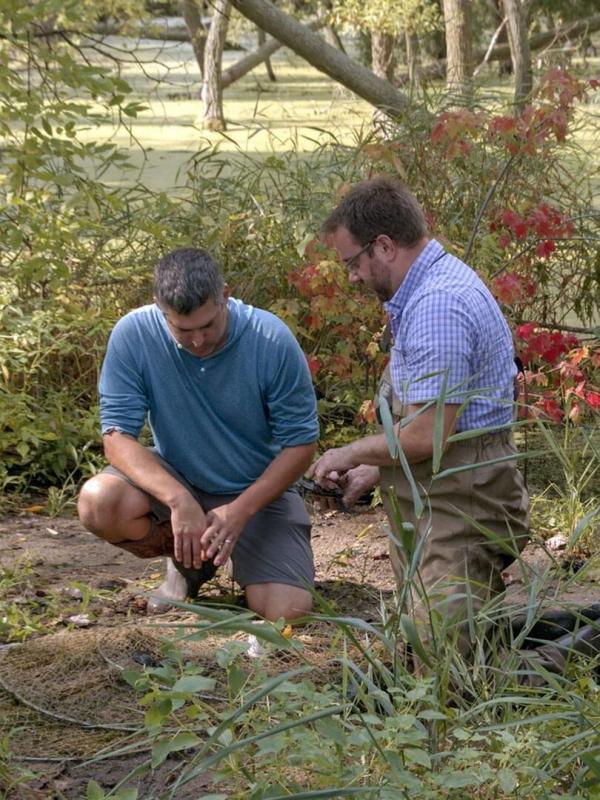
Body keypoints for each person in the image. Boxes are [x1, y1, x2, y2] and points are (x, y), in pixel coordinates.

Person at [308, 176, 530, 654]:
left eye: (353, 262)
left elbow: (427, 436)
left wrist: (349, 452)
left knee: (442, 666)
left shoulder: (437, 306)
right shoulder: (422, 292)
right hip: (436, 500)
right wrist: (375, 469)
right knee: (428, 653)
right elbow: (441, 421)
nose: (352, 277)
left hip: (462, 508)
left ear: (384, 246)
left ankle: (578, 651)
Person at [78, 247, 319, 621]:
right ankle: (187, 562)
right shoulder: (134, 334)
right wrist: (178, 500)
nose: (198, 341)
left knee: (288, 612)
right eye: (183, 330)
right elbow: (116, 437)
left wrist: (240, 510)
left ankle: (233, 554)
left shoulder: (271, 339)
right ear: (160, 308)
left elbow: (301, 444)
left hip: (256, 490)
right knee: (98, 502)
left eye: (208, 325)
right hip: (179, 478)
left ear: (225, 296)